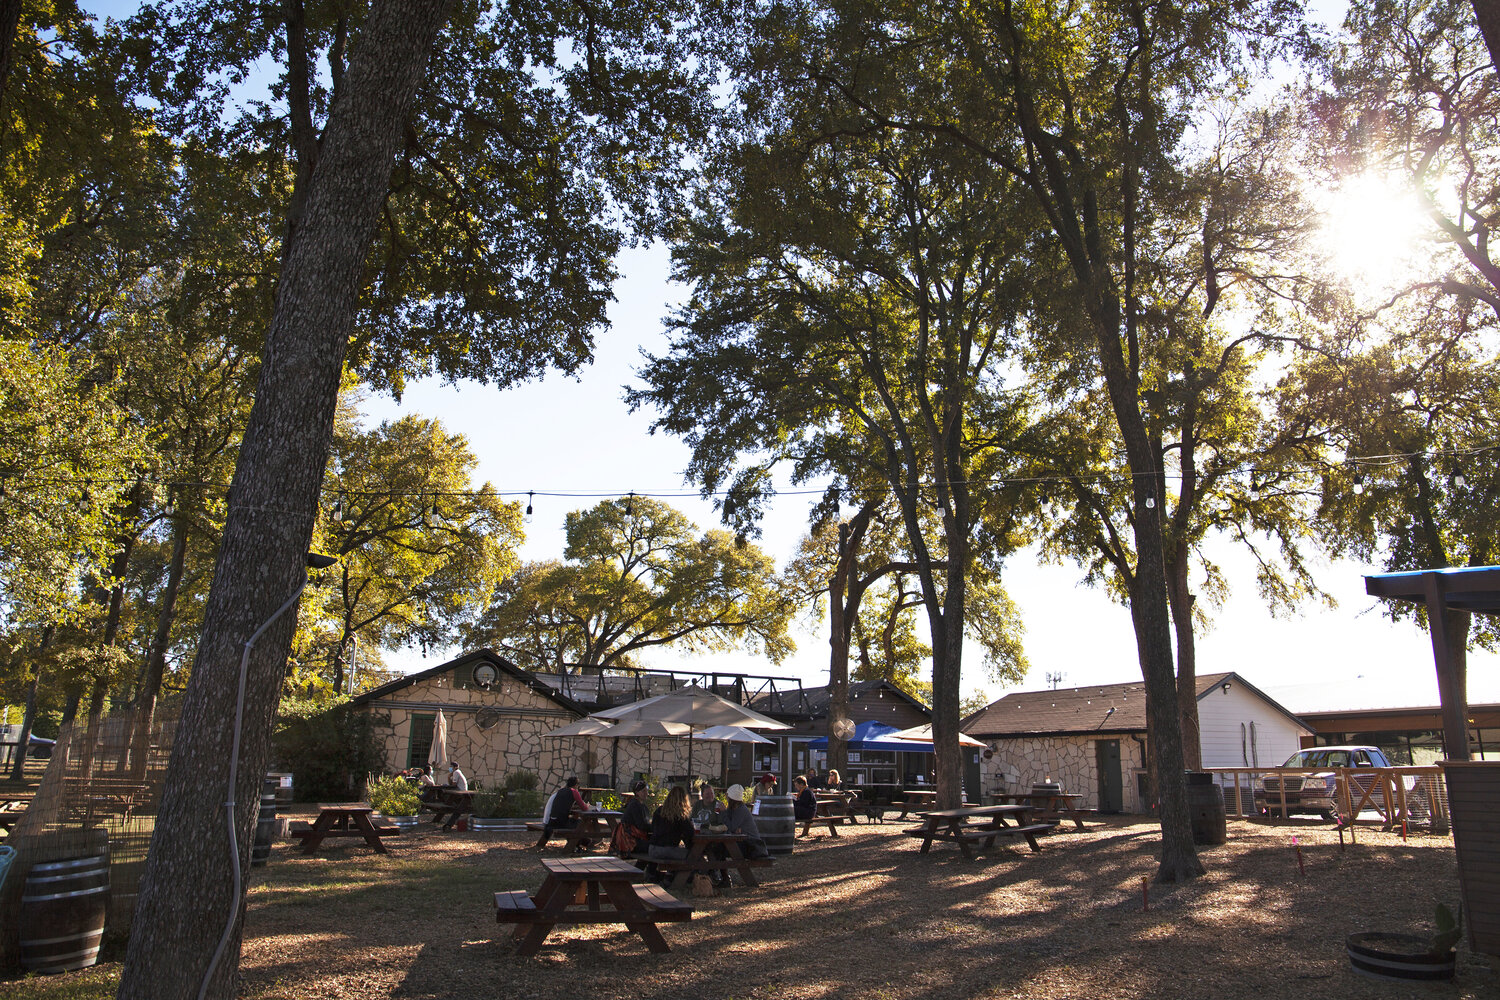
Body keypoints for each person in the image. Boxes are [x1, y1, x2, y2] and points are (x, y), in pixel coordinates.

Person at [720, 783, 768, 861]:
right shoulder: (733, 809)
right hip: (744, 843)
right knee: (718, 848)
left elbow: (731, 827)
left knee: (720, 848)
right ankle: (720, 872)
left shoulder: (741, 810)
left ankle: (716, 871)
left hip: (751, 846)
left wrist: (723, 813)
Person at [648, 785, 695, 865]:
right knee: (694, 855)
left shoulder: (659, 811)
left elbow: (653, 827)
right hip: (667, 850)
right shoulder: (680, 815)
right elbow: (690, 833)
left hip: (653, 849)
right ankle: (702, 874)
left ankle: (670, 874)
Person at [546, 776, 592, 849]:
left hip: (552, 821)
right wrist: (587, 805)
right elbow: (584, 808)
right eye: (578, 785)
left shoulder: (560, 791)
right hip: (561, 822)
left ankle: (579, 843)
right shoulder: (574, 792)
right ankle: (582, 843)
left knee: (575, 822)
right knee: (581, 823)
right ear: (575, 785)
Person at [613, 779, 653, 860]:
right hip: (630, 841)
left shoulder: (641, 805)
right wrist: (655, 827)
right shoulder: (634, 805)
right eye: (643, 791)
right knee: (655, 847)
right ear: (637, 793)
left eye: (646, 791)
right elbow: (641, 825)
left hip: (637, 837)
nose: (646, 793)